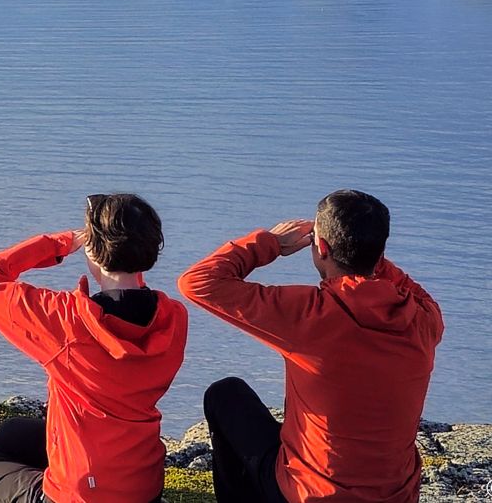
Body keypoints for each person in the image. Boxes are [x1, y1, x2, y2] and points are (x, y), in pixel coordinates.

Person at [178, 190, 444, 503]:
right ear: (380, 249)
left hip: (312, 494)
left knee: (225, 395)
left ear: (320, 246)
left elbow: (197, 282)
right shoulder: (424, 317)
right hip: (396, 496)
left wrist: (271, 243)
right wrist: (367, 253)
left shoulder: (309, 314)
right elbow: (397, 281)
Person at [0, 193, 189, 503]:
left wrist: (59, 243)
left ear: (94, 248)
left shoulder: (65, 321)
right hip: (143, 489)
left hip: (79, 495)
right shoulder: (174, 319)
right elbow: (132, 295)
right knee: (11, 433)